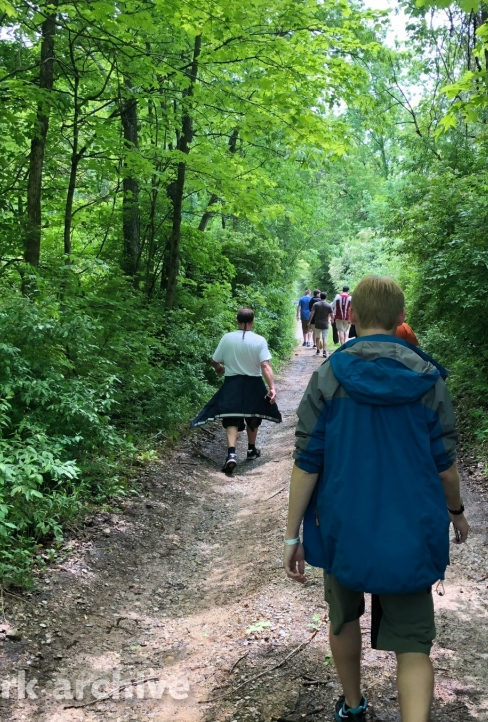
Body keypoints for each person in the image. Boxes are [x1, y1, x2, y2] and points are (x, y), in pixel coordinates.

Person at [283, 275, 469, 722]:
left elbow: (307, 461)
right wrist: (457, 513)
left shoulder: (328, 376)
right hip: (410, 526)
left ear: (355, 316)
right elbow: (445, 465)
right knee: (413, 644)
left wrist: (292, 536)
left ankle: (353, 706)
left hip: (342, 523)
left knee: (343, 617)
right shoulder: (428, 379)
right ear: (401, 318)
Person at [191, 308, 282, 476]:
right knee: (253, 416)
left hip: (232, 383)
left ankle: (231, 454)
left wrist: (219, 367)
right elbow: (265, 366)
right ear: (253, 322)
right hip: (253, 384)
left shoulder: (227, 338)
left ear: (237, 321)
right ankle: (251, 450)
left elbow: (214, 360)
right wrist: (272, 388)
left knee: (231, 418)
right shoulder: (259, 340)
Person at [309, 292, 334, 358]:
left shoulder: (316, 304)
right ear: (326, 297)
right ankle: (324, 352)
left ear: (320, 297)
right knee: (324, 338)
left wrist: (309, 321)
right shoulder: (329, 305)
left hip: (317, 323)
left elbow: (312, 313)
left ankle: (318, 350)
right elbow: (332, 315)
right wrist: (332, 320)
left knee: (318, 337)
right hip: (325, 324)